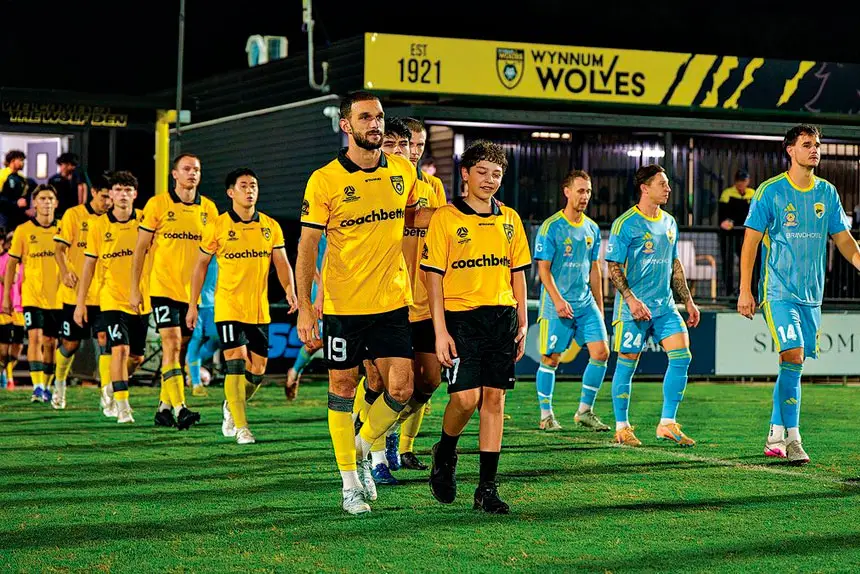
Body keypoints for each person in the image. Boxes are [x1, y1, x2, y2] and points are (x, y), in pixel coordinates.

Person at [295, 90, 430, 515]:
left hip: (392, 300)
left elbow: (415, 217)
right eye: (366, 117)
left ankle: (360, 444)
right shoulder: (324, 180)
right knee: (342, 387)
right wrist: (305, 305)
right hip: (343, 305)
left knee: (402, 388)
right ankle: (350, 483)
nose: (375, 124)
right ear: (346, 125)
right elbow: (306, 246)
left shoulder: (403, 170)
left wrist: (462, 214)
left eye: (380, 117)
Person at [738, 124, 859, 465]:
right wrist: (745, 289)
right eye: (807, 144)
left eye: (817, 144)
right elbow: (750, 243)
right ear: (790, 150)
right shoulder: (770, 191)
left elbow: (843, 239)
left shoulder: (827, 193)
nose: (814, 149)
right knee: (792, 355)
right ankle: (793, 439)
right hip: (778, 291)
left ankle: (775, 433)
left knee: (793, 363)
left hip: (812, 296)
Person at [422, 140, 530, 515]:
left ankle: (486, 488)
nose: (489, 180)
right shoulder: (446, 218)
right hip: (461, 319)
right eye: (482, 172)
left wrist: (523, 320)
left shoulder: (510, 219)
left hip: (502, 318)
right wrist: (440, 331)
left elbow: (518, 273)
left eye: (496, 174)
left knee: (494, 400)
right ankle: (445, 451)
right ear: (465, 174)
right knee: (466, 399)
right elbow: (432, 278)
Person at [188, 168, 297, 444]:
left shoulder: (270, 226)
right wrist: (192, 304)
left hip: (258, 309)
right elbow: (200, 266)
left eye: (254, 186)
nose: (250, 190)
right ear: (231, 192)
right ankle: (242, 427)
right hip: (228, 307)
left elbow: (282, 263)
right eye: (244, 186)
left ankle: (230, 405)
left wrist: (290, 290)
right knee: (234, 363)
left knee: (257, 372)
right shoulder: (217, 226)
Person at [605, 165, 701, 448]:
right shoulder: (625, 224)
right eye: (662, 184)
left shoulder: (669, 222)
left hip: (665, 308)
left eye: (668, 183)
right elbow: (613, 267)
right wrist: (631, 300)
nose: (668, 189)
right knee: (627, 363)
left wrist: (688, 300)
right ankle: (622, 428)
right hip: (632, 309)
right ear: (645, 188)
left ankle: (667, 423)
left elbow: (674, 263)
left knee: (682, 357)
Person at [130, 153, 219, 430]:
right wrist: (135, 289)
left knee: (178, 352)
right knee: (171, 343)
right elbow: (140, 249)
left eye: (196, 169)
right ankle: (181, 408)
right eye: (187, 169)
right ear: (175, 174)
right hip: (163, 288)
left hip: (192, 295)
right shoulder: (158, 204)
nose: (192, 173)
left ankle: (164, 407)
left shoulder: (209, 209)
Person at [533, 170, 610, 432]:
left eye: (588, 191)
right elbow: (543, 270)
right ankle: (546, 416)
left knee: (601, 352)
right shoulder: (551, 227)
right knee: (551, 358)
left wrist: (599, 306)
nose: (585, 196)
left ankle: (584, 411)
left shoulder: (592, 228)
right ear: (567, 192)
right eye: (580, 191)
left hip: (585, 303)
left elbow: (594, 268)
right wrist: (557, 301)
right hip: (557, 304)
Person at [74, 171, 151, 424]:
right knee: (119, 349)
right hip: (111, 298)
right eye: (118, 190)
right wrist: (80, 303)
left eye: (128, 190)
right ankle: (123, 406)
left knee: (136, 357)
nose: (123, 195)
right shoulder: (98, 226)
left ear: (135, 194)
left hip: (141, 298)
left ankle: (111, 386)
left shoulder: (146, 220)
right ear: (111, 195)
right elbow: (88, 266)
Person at [52, 173, 113, 410]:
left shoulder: (113, 220)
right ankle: (59, 383)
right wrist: (65, 271)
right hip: (75, 294)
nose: (108, 202)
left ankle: (107, 395)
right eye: (104, 196)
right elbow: (59, 249)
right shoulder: (74, 215)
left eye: (111, 197)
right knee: (71, 344)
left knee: (104, 340)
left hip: (105, 295)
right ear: (93, 192)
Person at [3, 184, 61, 403]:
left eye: (50, 199)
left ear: (56, 203)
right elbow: (11, 264)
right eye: (42, 199)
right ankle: (37, 387)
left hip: (58, 296)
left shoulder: (63, 228)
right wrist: (7, 296)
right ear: (34, 203)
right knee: (35, 338)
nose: (46, 202)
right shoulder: (23, 230)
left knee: (51, 342)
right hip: (32, 295)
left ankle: (47, 385)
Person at [285, 231, 326, 400]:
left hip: (341, 292)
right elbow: (307, 260)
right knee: (316, 342)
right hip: (319, 292)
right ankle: (294, 371)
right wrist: (322, 287)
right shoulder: (313, 231)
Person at [185, 257, 220, 398]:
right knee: (197, 339)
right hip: (196, 302)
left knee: (218, 339)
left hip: (214, 302)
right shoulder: (194, 250)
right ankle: (196, 383)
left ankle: (190, 363)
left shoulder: (219, 248)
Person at [718, 169, 756, 296]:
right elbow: (722, 215)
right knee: (728, 262)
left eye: (743, 180)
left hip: (746, 235)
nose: (741, 183)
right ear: (735, 181)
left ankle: (749, 291)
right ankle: (729, 292)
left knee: (748, 262)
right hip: (730, 235)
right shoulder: (727, 194)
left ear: (748, 181)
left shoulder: (753, 194)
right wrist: (725, 222)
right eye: (739, 180)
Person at [0, 230, 24, 389]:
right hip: (3, 309)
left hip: (18, 308)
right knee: (3, 349)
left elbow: (15, 280)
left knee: (17, 347)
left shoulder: (13, 260)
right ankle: (8, 378)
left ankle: (5, 373)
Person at [48, 153, 87, 220]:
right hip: (58, 213)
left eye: (72, 165)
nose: (72, 167)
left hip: (75, 212)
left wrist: (81, 209)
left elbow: (83, 193)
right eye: (64, 164)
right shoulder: (53, 180)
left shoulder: (78, 178)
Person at [0, 150, 31, 230]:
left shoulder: (22, 178)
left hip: (18, 215)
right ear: (12, 161)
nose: (23, 163)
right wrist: (15, 203)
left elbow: (24, 197)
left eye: (23, 160)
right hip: (4, 215)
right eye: (20, 160)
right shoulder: (2, 175)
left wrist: (26, 209)